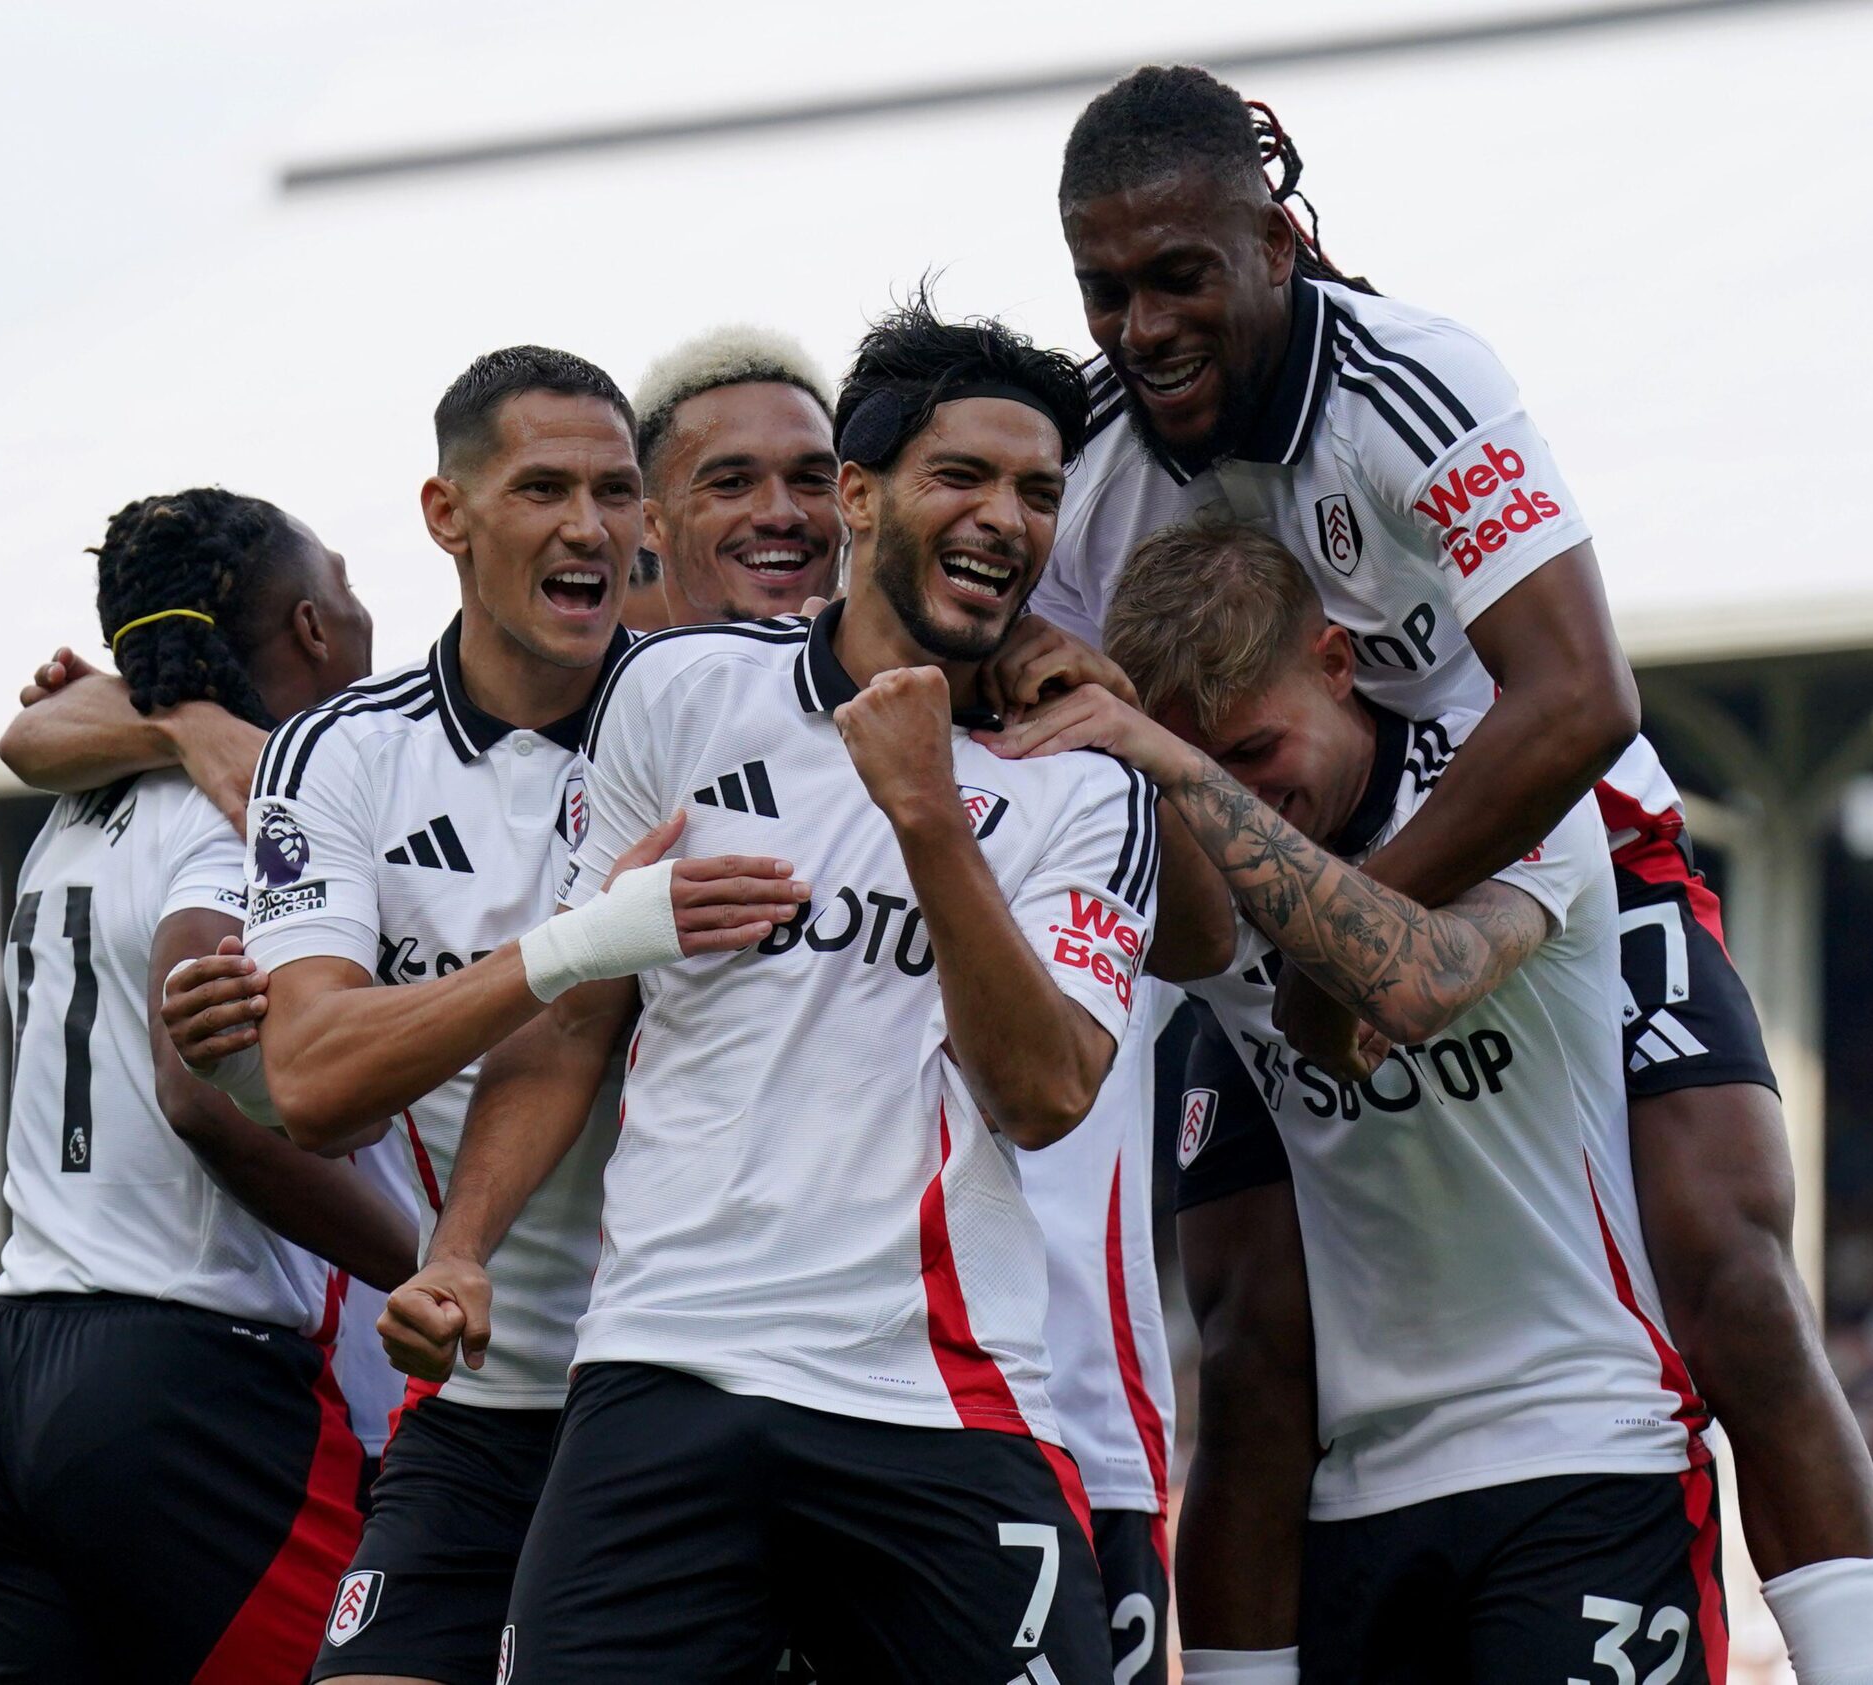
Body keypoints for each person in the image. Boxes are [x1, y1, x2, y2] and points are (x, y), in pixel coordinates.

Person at [1037, 66, 1873, 1685]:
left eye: (1179, 279)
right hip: (1257, 870)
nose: (1141, 326)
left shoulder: (1413, 385)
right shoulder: (1081, 460)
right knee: (1251, 1337)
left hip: (1542, 835)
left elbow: (1577, 697)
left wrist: (1358, 940)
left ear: (1279, 244)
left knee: (1722, 1258)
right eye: (1105, 290)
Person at [382, 300, 1198, 1683]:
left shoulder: (1085, 784)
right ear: (863, 498)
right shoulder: (680, 693)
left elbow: (1048, 1093)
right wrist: (461, 1245)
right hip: (666, 1367)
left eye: (1038, 491)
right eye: (964, 477)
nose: (1005, 516)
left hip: (940, 1400)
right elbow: (581, 1014)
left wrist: (930, 815)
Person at [148, 344, 808, 1685]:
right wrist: (582, 943)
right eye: (543, 489)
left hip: (712, 1389)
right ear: (447, 515)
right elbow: (322, 1087)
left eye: (616, 492)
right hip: (488, 1384)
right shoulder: (341, 754)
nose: (589, 528)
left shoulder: (731, 716)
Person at [988, 514, 1734, 1684]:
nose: (1241, 801)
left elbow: (1411, 976)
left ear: (1336, 664)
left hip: (1584, 1450)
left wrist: (1175, 762)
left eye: (1255, 749)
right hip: (1359, 1496)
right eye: (1203, 765)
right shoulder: (1194, 856)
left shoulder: (1501, 779)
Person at [630, 322, 1185, 1678]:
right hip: (674, 1382)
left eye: (1039, 493)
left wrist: (1061, 756)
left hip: (1030, 1408)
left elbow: (1149, 993)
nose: (779, 513)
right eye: (726, 484)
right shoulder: (656, 715)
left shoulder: (1071, 752)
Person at [0, 487, 420, 1684]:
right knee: (398, 1659)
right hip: (182, 1377)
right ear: (310, 626)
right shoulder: (240, 826)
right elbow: (203, 1094)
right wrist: (435, 1256)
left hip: (1, 1368)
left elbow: (35, 732)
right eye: (347, 588)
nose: (366, 611)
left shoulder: (83, 803)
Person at [630, 325, 844, 624]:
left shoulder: (919, 667)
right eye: (733, 484)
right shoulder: (624, 671)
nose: (781, 515)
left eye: (810, 479)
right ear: (651, 524)